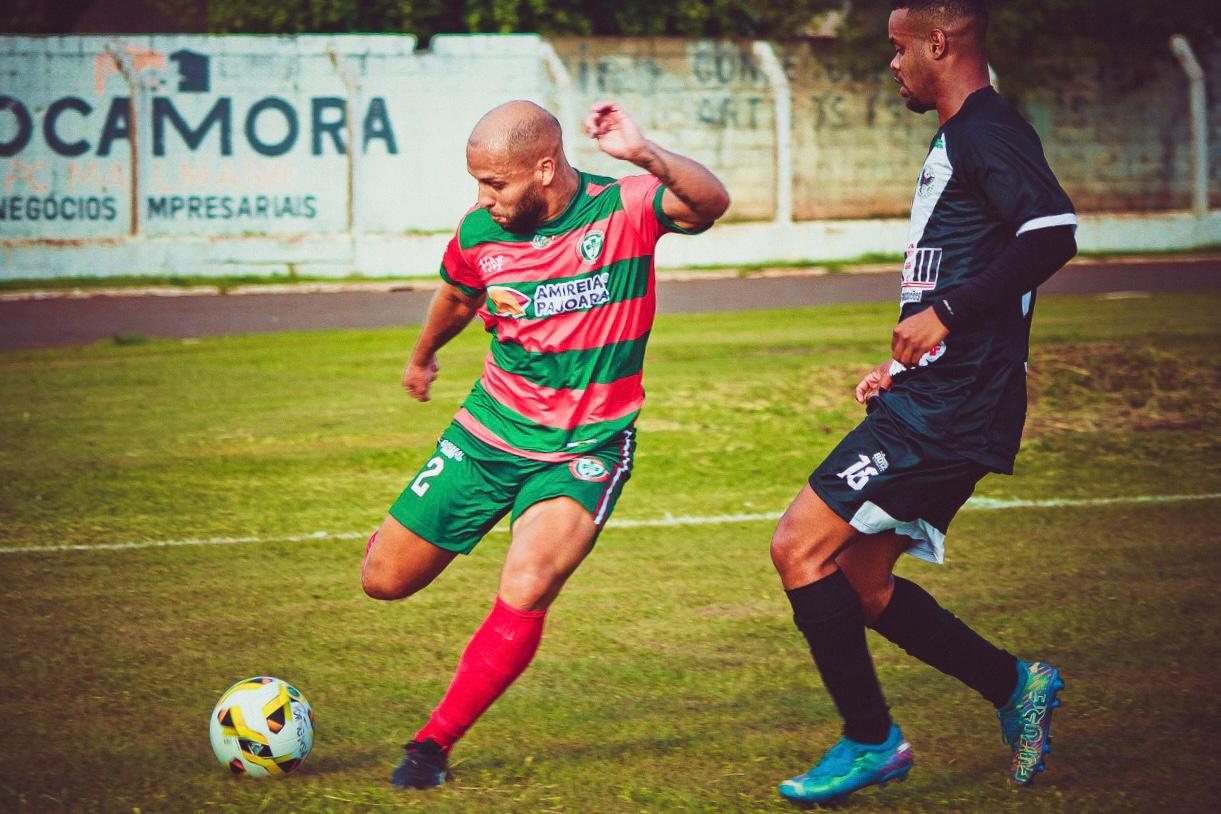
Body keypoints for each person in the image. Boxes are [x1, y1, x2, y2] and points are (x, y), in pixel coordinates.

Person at [361, 99, 729, 789]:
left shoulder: (623, 207)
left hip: (585, 448)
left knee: (527, 584)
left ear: (544, 167)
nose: (483, 198)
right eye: (477, 182)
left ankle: (431, 746)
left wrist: (643, 154)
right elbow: (458, 298)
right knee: (384, 580)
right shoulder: (479, 233)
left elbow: (710, 204)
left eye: (494, 183)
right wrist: (422, 355)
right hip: (489, 433)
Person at [770, 0, 1077, 805]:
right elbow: (972, 271)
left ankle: (870, 741)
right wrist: (906, 360)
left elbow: (1051, 232)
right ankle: (1014, 684)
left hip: (954, 407)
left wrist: (945, 314)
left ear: (937, 43)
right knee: (859, 582)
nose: (892, 64)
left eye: (898, 48)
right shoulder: (959, 134)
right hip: (938, 392)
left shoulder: (986, 129)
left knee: (798, 548)